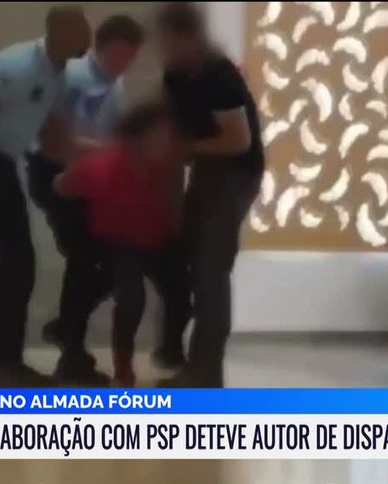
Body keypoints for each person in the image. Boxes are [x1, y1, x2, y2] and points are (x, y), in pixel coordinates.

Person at [0, 5, 91, 388]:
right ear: (60, 31)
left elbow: (53, 136)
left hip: (2, 162)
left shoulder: (57, 73)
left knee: (16, 261)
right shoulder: (17, 65)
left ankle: (1, 362)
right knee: (11, 260)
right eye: (82, 30)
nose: (88, 38)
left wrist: (94, 161)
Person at [28, 14, 146, 386]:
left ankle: (68, 333)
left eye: (131, 58)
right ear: (103, 47)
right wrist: (114, 154)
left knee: (102, 262)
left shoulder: (115, 83)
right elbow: (56, 141)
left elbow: (113, 138)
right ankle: (71, 347)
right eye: (121, 56)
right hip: (56, 173)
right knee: (87, 258)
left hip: (90, 178)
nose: (125, 64)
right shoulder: (73, 76)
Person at [153, 3, 265, 387]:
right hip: (206, 170)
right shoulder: (175, 76)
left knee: (210, 270)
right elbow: (176, 132)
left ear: (190, 38)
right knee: (186, 260)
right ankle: (182, 357)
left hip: (236, 174)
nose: (165, 48)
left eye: (171, 41)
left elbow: (238, 141)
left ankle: (205, 372)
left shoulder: (219, 77)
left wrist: (183, 150)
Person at [52, 101, 191, 387]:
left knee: (181, 290)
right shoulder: (103, 164)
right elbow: (62, 186)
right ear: (138, 136)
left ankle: (171, 351)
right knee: (131, 297)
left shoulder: (169, 164)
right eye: (161, 136)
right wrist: (75, 232)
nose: (168, 143)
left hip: (157, 239)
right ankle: (123, 366)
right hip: (117, 241)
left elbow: (175, 207)